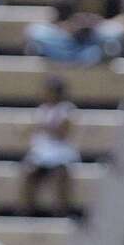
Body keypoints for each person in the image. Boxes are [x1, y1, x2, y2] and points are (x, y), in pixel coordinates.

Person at [22, 74, 80, 216]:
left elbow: (62, 133)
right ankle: (29, 211)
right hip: (43, 154)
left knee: (61, 174)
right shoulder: (42, 109)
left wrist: (44, 126)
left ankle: (62, 211)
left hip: (61, 154)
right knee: (29, 172)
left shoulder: (67, 109)